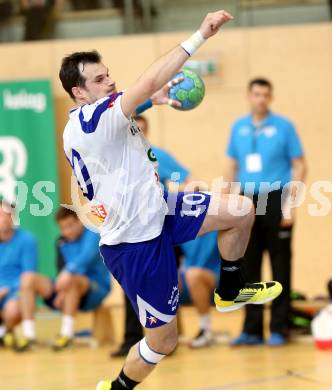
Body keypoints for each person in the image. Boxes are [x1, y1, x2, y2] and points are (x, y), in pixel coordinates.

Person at [59, 10, 282, 389]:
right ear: (79, 92)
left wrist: (152, 101)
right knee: (163, 342)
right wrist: (200, 35)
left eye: (108, 72)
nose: (110, 80)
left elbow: (133, 104)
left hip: (160, 208)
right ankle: (118, 388)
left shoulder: (89, 120)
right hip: (135, 245)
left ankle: (229, 289)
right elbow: (145, 82)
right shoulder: (96, 120)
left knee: (241, 209)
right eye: (99, 79)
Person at [224, 78, 307, 346]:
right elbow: (232, 166)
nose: (261, 99)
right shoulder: (239, 127)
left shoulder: (284, 127)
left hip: (277, 197)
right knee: (248, 267)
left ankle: (279, 328)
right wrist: (226, 203)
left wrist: (290, 205)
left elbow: (300, 165)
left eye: (265, 95)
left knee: (280, 266)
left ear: (270, 98)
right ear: (249, 96)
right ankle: (252, 329)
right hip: (247, 199)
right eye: (256, 94)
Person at [111, 114, 191, 358]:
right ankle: (131, 339)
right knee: (130, 287)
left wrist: (180, 194)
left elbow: (185, 178)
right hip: (129, 232)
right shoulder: (116, 159)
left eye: (142, 129)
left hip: (160, 227)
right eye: (134, 129)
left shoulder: (158, 155)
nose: (138, 133)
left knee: (168, 286)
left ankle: (168, 339)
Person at [15, 207, 111, 351]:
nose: (67, 232)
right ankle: (29, 336)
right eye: (62, 228)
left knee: (71, 278)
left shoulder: (93, 235)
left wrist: (66, 277)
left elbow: (83, 260)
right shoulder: (61, 241)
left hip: (95, 289)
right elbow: (61, 270)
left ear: (80, 221)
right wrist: (62, 292)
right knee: (28, 278)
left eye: (70, 226)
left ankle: (66, 335)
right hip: (66, 288)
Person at [0, 201, 38, 349]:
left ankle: (4, 331)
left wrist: (5, 289)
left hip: (14, 292)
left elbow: (28, 274)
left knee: (13, 311)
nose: (3, 219)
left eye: (7, 215)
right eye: (0, 215)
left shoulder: (27, 239)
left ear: (13, 217)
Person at [181, 231, 220, 348]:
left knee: (194, 275)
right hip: (188, 278)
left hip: (216, 278)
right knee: (166, 277)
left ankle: (205, 330)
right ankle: (173, 333)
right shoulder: (183, 227)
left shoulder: (218, 222)